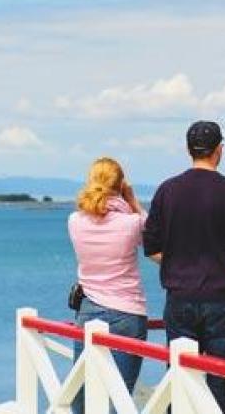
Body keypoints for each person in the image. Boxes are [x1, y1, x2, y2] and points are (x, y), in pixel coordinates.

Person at [143, 121, 225, 414]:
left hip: (180, 296)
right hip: (224, 299)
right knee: (223, 383)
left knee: (179, 380)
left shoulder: (167, 191)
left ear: (188, 150)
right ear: (219, 150)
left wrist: (176, 260)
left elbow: (151, 248)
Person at [68, 157, 148, 414]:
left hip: (88, 311)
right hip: (127, 312)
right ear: (121, 185)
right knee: (119, 399)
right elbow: (152, 236)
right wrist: (133, 201)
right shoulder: (132, 222)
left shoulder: (75, 221)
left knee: (83, 397)